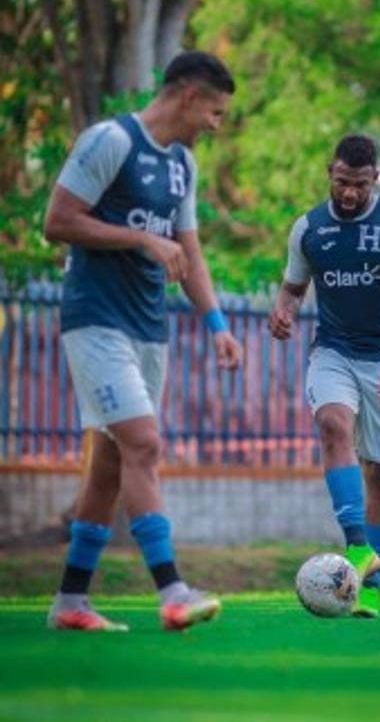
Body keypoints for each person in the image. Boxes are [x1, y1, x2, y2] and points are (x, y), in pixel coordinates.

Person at [44, 51, 241, 632]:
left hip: (150, 329)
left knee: (110, 466)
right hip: (95, 319)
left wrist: (218, 326)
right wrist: (139, 240)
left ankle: (71, 602)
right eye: (216, 111)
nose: (217, 124)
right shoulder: (109, 140)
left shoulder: (183, 164)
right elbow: (57, 221)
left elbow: (191, 251)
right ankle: (172, 591)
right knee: (144, 443)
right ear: (188, 97)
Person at [269, 135, 380, 617]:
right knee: (333, 426)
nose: (349, 194)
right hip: (333, 352)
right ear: (329, 173)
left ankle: (371, 589)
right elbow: (292, 290)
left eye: (359, 185)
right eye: (342, 182)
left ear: (374, 180)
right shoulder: (308, 229)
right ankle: (358, 547)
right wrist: (283, 310)